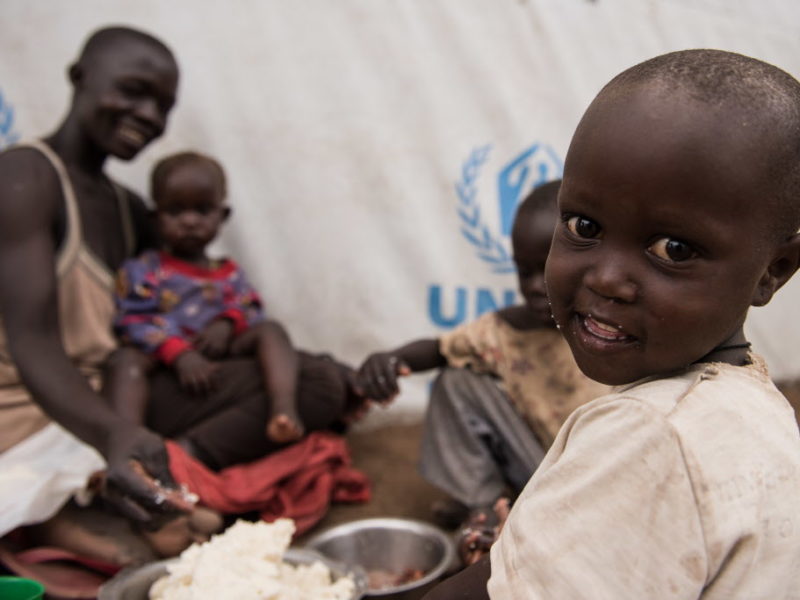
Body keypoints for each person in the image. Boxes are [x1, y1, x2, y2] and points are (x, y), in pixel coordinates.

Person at [423, 49, 800, 599]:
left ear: (773, 271)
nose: (606, 280)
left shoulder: (653, 438)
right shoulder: (751, 408)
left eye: (673, 249)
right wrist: (519, 546)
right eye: (584, 225)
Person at [0, 26, 187, 556]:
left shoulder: (130, 210)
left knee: (299, 385)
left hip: (107, 401)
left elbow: (164, 322)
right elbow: (33, 344)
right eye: (133, 91)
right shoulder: (23, 178)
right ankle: (67, 513)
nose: (149, 115)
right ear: (79, 77)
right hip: (25, 420)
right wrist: (113, 435)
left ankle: (121, 498)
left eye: (164, 106)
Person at [357, 180, 608, 563]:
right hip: (540, 470)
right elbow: (439, 350)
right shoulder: (506, 331)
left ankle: (548, 528)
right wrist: (389, 360)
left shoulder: (611, 328)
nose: (533, 287)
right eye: (523, 271)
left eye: (545, 270)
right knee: (457, 382)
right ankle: (488, 509)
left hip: (605, 481)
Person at [108, 151, 305, 445]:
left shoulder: (230, 273)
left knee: (271, 331)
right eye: (175, 211)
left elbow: (251, 308)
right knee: (124, 361)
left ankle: (283, 409)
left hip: (221, 362)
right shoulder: (144, 269)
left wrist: (227, 323)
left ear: (222, 216)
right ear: (154, 218)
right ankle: (129, 442)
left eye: (202, 210)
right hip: (165, 367)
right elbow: (133, 320)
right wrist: (179, 353)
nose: (189, 221)